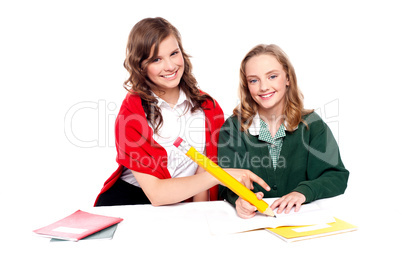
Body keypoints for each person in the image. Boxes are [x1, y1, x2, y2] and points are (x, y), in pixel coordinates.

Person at [94, 17, 269, 207]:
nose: (170, 66)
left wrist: (201, 213)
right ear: (140, 65)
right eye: (156, 59)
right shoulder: (132, 113)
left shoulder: (207, 107)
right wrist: (218, 176)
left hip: (179, 206)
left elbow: (202, 171)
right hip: (130, 203)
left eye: (174, 53)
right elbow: (157, 194)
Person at [218, 44, 349, 219]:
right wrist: (239, 200)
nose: (263, 87)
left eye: (272, 76)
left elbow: (336, 177)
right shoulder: (234, 128)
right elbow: (226, 182)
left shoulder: (312, 125)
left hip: (301, 221)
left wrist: (303, 192)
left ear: (287, 78)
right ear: (246, 85)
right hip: (253, 223)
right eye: (254, 80)